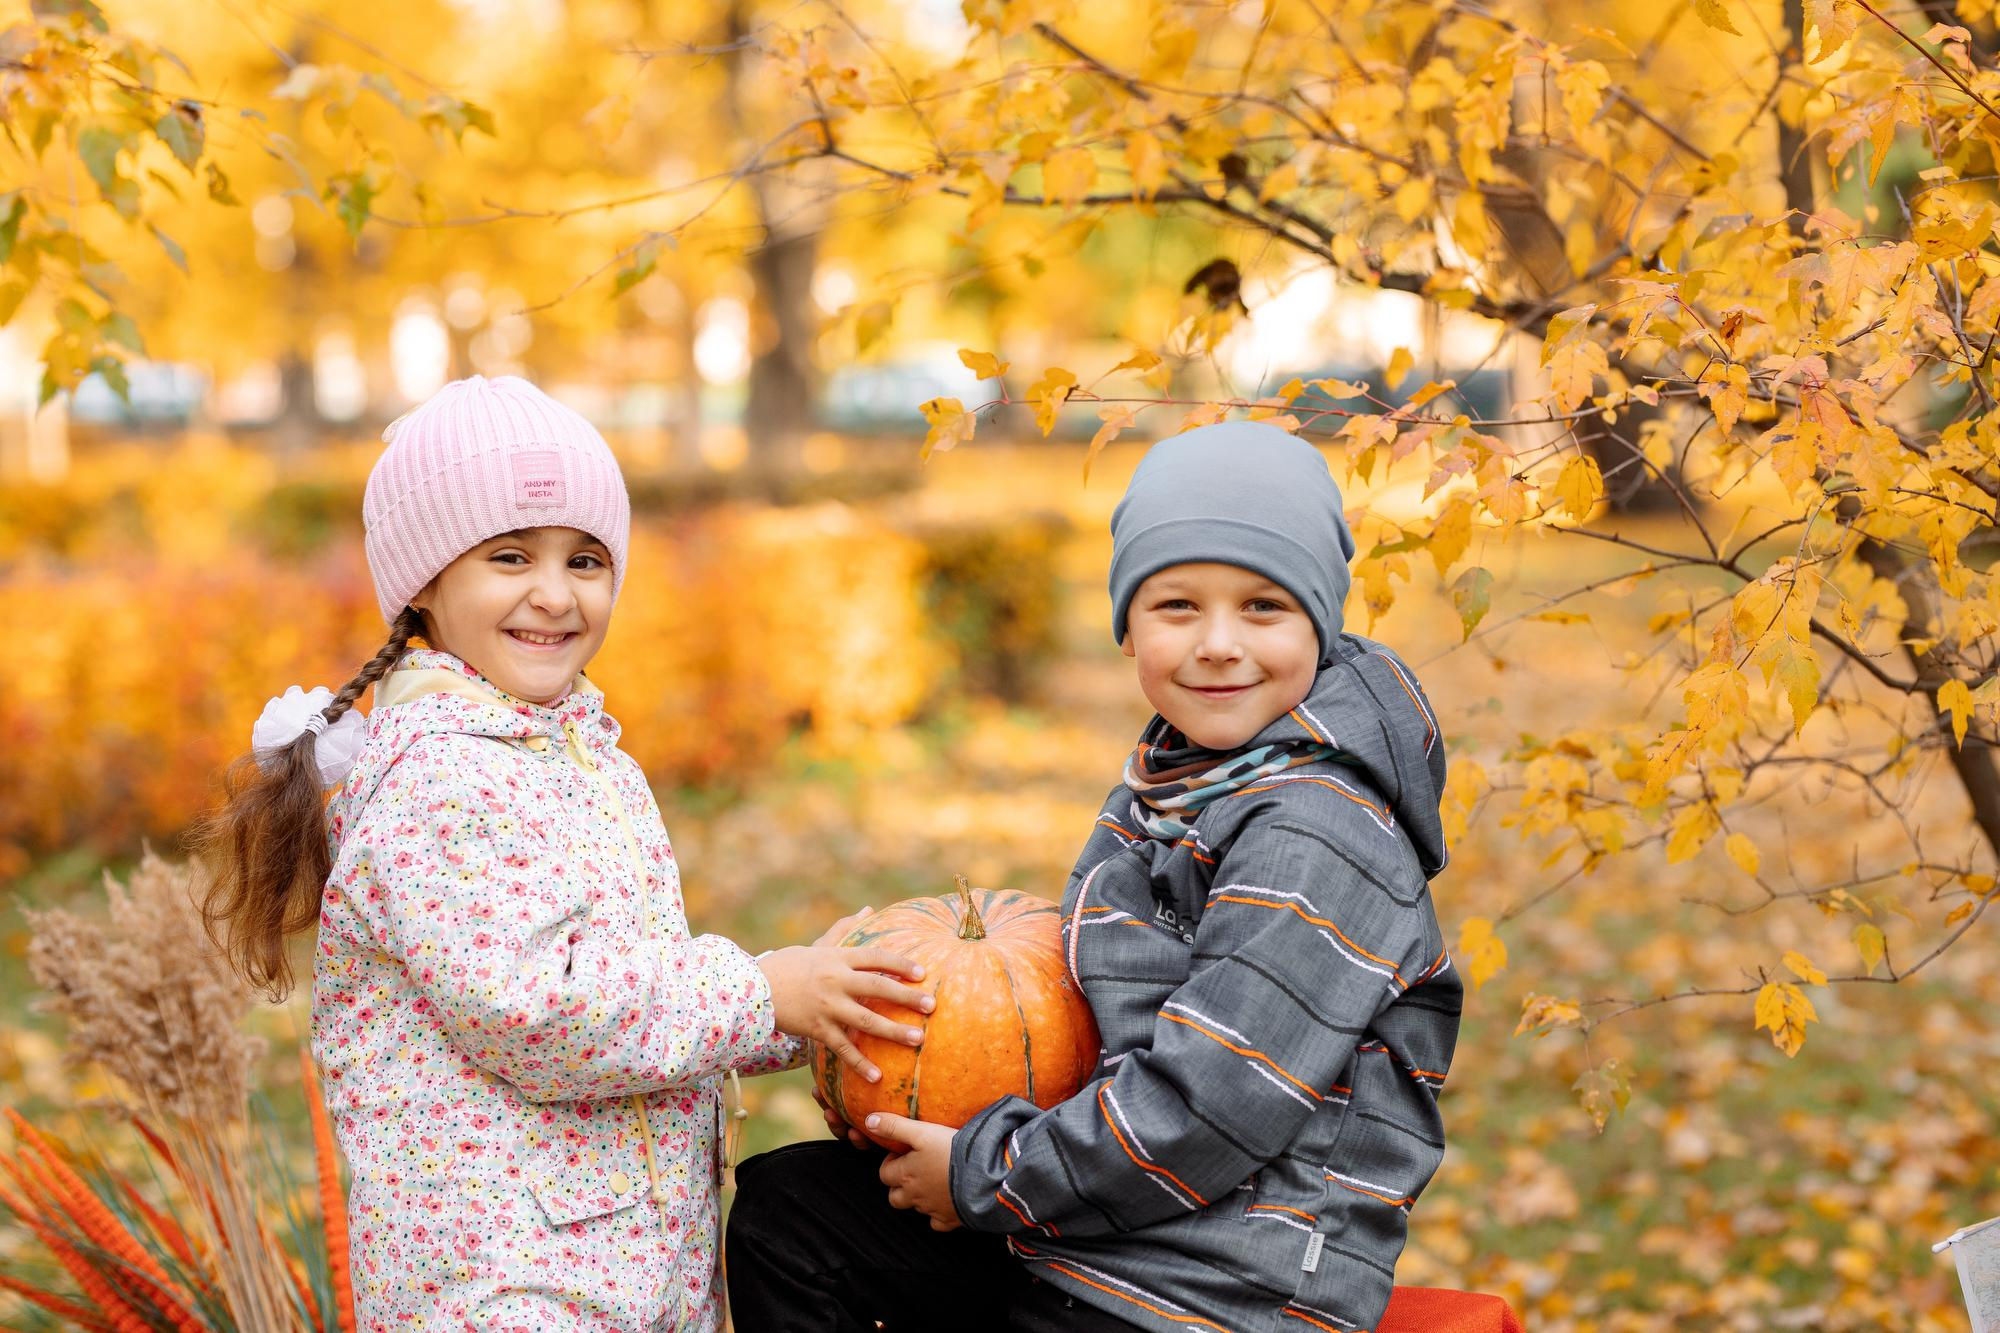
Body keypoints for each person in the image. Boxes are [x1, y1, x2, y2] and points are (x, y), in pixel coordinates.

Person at [196, 375, 931, 1331]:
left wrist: (809, 1004)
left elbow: (626, 981)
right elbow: (538, 1008)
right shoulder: (441, 780)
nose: (555, 593)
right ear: (423, 580)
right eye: (510, 556)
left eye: (586, 560)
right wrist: (758, 993)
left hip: (615, 1261)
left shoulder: (570, 748)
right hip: (503, 1283)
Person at [727, 421, 1460, 1333]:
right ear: (1127, 628)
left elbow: (1208, 1106)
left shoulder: (1318, 831)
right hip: (1103, 1233)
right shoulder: (1174, 780)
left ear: (1321, 618)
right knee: (792, 1210)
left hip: (1223, 1287)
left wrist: (984, 1173)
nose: (1220, 642)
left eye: (1264, 606)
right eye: (1178, 606)